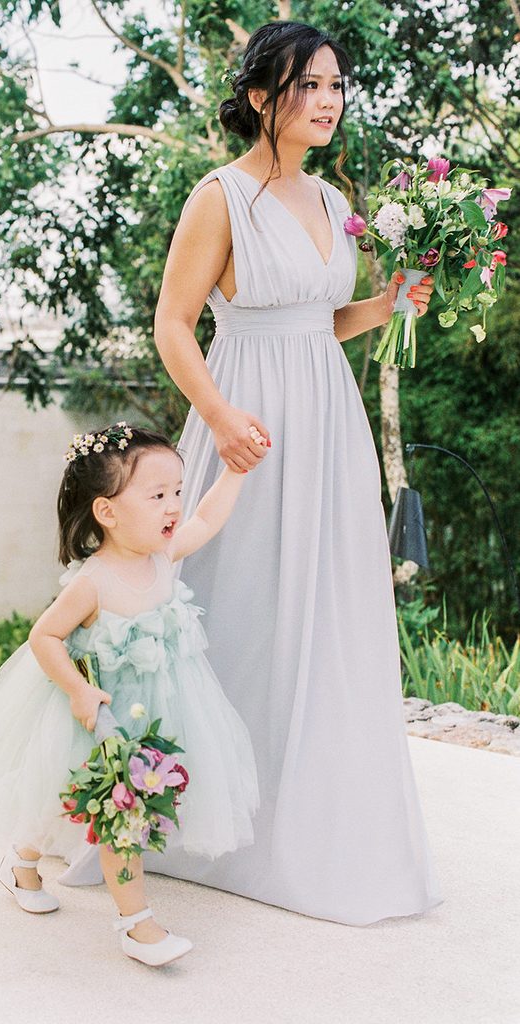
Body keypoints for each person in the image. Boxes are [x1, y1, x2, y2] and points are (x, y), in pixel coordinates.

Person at [148, 20, 443, 926]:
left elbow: (321, 320)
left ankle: (306, 827)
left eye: (336, 85)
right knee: (225, 606)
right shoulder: (217, 197)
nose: (327, 99)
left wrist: (387, 304)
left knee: (325, 616)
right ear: (261, 96)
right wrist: (219, 419)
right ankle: (177, 818)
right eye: (308, 84)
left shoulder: (329, 197)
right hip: (244, 419)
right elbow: (171, 321)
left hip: (327, 425)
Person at [0, 423, 265, 965]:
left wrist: (235, 471)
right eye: (157, 496)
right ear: (107, 512)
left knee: (66, 800)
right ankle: (136, 924)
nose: (173, 507)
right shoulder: (95, 580)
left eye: (175, 492)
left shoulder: (163, 554)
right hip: (98, 716)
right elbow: (44, 637)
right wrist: (80, 693)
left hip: (159, 712)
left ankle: (22, 859)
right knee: (117, 814)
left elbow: (206, 518)